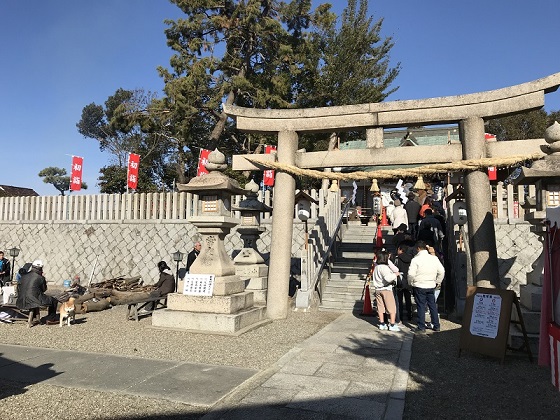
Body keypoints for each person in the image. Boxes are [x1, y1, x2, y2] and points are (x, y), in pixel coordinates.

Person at [408, 240, 445, 333]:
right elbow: (441, 271)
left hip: (419, 284)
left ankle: (421, 326)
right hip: (431, 284)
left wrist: (410, 282)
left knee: (421, 306)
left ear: (418, 248)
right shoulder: (434, 258)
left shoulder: (415, 260)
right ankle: (436, 325)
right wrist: (438, 281)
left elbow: (411, 274)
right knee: (432, 305)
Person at [16, 260, 58, 325]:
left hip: (20, 300)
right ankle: (51, 319)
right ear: (41, 268)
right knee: (53, 300)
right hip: (33, 300)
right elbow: (44, 289)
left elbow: (18, 288)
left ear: (32, 267)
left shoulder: (23, 276)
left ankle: (35, 316)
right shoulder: (40, 277)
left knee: (34, 296)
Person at [371, 250, 400, 332]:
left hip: (378, 289)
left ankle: (382, 323)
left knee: (380, 307)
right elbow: (388, 278)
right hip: (386, 289)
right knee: (391, 307)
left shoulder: (376, 267)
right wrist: (395, 275)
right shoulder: (384, 267)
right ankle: (392, 324)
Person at [395, 243, 413, 322]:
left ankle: (400, 316)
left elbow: (395, 269)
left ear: (400, 250)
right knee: (408, 298)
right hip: (408, 279)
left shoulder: (397, 258)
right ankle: (409, 314)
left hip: (400, 280)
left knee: (399, 299)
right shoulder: (411, 259)